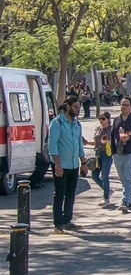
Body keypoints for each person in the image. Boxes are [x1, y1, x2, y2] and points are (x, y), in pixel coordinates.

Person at [48, 97, 87, 233]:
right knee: (60, 194)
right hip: (61, 164)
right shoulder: (57, 122)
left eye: (79, 107)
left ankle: (67, 220)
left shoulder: (76, 124)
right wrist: (57, 163)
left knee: (71, 194)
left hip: (73, 164)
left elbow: (79, 145)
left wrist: (83, 163)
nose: (78, 110)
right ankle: (57, 224)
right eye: (75, 107)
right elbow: (52, 145)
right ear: (68, 106)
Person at [91, 112, 114, 207]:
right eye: (99, 118)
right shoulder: (98, 129)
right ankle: (108, 190)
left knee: (105, 176)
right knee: (94, 175)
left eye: (103, 118)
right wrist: (86, 142)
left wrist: (108, 142)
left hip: (107, 154)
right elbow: (95, 141)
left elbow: (115, 141)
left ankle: (106, 198)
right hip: (97, 154)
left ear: (108, 119)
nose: (101, 120)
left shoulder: (111, 129)